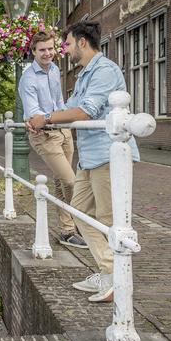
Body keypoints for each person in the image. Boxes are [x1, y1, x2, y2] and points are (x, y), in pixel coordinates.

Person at [27, 21, 139, 303]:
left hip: (107, 154)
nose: (63, 50)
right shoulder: (84, 74)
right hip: (89, 157)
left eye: (66, 44)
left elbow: (86, 112)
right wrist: (39, 121)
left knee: (107, 218)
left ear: (81, 42)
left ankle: (115, 279)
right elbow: (67, 108)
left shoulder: (104, 70)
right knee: (79, 212)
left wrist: (47, 119)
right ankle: (107, 271)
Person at [19, 30, 87, 250]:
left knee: (60, 181)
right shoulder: (28, 79)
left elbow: (59, 101)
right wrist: (34, 119)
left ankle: (67, 231)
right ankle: (84, 225)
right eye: (42, 50)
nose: (47, 53)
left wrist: (66, 117)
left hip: (63, 130)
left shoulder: (55, 69)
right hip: (45, 134)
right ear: (34, 52)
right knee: (71, 181)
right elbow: (34, 113)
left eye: (50, 49)